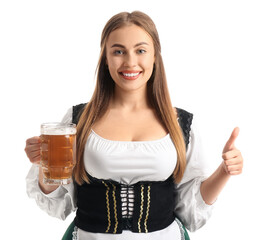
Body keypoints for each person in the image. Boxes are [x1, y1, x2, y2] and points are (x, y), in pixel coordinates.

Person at [25, 11, 243, 240]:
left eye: (140, 50)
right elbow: (56, 198)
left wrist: (224, 172)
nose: (130, 62)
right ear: (105, 58)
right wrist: (43, 164)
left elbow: (190, 208)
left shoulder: (180, 123)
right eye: (118, 51)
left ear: (154, 57)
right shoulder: (78, 119)